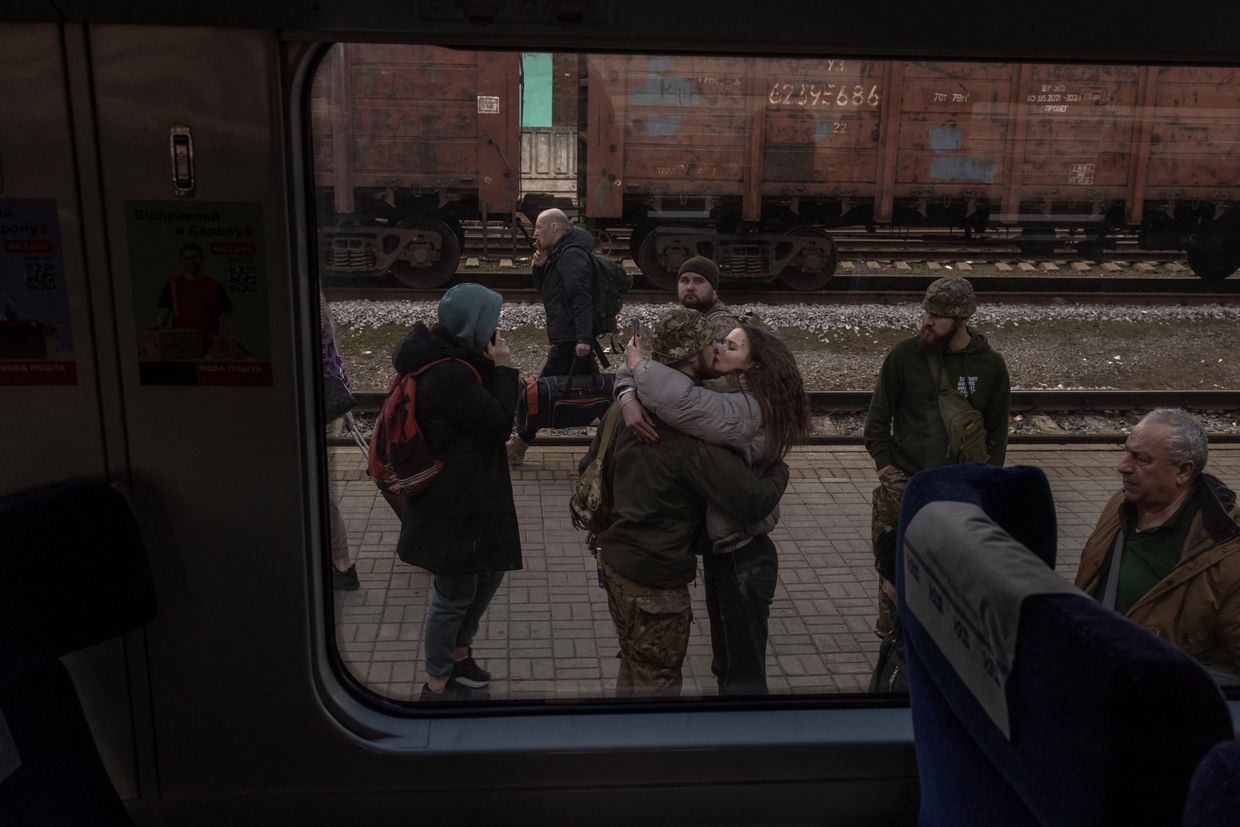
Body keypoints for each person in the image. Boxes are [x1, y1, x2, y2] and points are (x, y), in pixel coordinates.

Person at [588, 308, 791, 697]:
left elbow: (590, 466)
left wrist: (627, 391)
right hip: (656, 578)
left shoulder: (619, 412)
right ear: (695, 353)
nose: (718, 349)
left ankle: (616, 744)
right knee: (657, 683)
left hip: (614, 561)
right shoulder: (691, 440)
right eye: (713, 344)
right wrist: (780, 470)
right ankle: (647, 757)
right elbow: (750, 501)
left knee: (633, 665)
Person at [391, 283, 522, 701]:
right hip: (453, 506)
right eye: (492, 322)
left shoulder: (456, 358)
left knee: (490, 570)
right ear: (474, 325)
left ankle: (460, 655)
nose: (497, 331)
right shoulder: (448, 373)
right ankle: (437, 683)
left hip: (471, 499)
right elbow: (499, 422)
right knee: (453, 596)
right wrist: (503, 370)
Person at [863, 275, 1010, 635]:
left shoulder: (990, 366)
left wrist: (985, 484)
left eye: (938, 316)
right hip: (904, 485)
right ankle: (891, 647)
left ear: (961, 320)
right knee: (892, 575)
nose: (927, 321)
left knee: (952, 575)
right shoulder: (904, 355)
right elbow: (877, 421)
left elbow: (998, 433)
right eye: (926, 312)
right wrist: (887, 471)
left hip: (957, 490)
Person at [1075, 408, 1240, 681]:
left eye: (1141, 458)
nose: (1123, 465)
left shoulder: (1225, 551)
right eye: (1127, 451)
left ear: (1184, 471)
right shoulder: (1120, 505)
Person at [506, 208, 596, 465]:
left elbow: (581, 298)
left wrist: (583, 339)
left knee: (539, 394)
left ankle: (518, 446)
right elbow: (549, 293)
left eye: (538, 228)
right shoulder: (559, 254)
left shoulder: (572, 256)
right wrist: (539, 267)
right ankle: (601, 450)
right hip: (569, 337)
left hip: (570, 341)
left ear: (555, 228)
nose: (535, 233)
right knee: (597, 395)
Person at [320, 290, 359, 590]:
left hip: (320, 406)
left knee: (321, 490)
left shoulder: (298, 305)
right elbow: (334, 354)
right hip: (332, 403)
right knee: (324, 489)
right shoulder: (318, 304)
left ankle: (341, 565)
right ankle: (341, 564)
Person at [154, 242, 236, 348]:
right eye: (186, 258)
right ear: (181, 261)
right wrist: (157, 329)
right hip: (181, 344)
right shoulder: (173, 284)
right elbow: (163, 314)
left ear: (201, 259)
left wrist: (233, 338)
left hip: (209, 345)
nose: (191, 262)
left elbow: (226, 318)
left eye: (194, 258)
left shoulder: (214, 285)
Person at [675, 255, 739, 342]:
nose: (689, 287)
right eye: (684, 280)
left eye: (699, 281)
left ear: (714, 289)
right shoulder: (685, 317)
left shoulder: (722, 326)